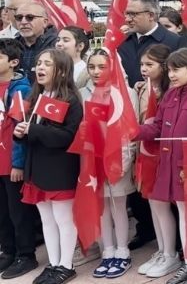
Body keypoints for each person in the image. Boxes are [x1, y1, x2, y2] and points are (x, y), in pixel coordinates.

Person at [136, 48, 187, 284]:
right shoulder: (171, 95)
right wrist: (133, 131)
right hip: (170, 164)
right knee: (184, 214)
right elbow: (158, 127)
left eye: (176, 69)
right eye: (169, 69)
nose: (171, 74)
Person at [14, 49, 83, 284]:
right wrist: (20, 133)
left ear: (62, 70)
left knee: (64, 219)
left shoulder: (71, 100)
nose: (40, 68)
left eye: (47, 64)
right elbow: (32, 130)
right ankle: (53, 263)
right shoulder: (35, 97)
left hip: (60, 169)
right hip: (37, 168)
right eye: (39, 63)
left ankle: (66, 265)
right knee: (47, 219)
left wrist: (33, 130)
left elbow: (66, 136)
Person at [80, 49, 139, 279]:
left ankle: (123, 252)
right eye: (92, 67)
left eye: (102, 67)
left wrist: (123, 162)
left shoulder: (126, 93)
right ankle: (108, 251)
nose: (96, 72)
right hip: (92, 160)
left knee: (118, 207)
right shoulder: (83, 92)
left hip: (117, 158)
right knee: (101, 208)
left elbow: (130, 131)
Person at [133, 44, 174, 278]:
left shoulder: (169, 93)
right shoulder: (142, 88)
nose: (144, 69)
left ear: (165, 66)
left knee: (160, 204)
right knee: (152, 203)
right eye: (142, 65)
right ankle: (161, 249)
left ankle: (170, 253)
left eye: (150, 64)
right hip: (144, 152)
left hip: (161, 152)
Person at [0, 39, 37, 279]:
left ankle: (26, 254)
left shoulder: (21, 88)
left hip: (9, 159)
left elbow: (20, 128)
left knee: (18, 211)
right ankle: (8, 249)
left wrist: (17, 163)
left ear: (13, 62)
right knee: (2, 210)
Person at [118, 0, 181, 88]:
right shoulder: (121, 41)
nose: (128, 19)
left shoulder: (175, 42)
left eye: (133, 14)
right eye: (127, 13)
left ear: (151, 16)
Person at [14, 2, 57, 84]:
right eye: (19, 17)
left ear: (45, 22)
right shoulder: (12, 46)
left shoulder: (57, 46)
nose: (23, 22)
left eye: (30, 17)